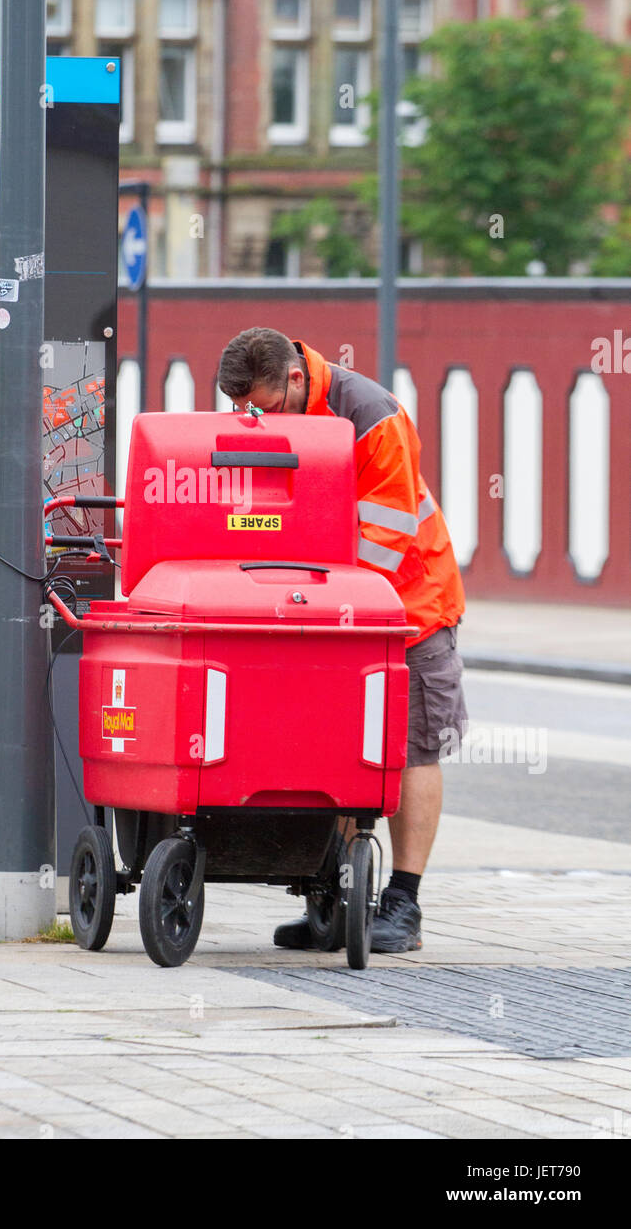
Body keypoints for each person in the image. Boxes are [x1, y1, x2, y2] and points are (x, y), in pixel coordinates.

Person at [216, 327, 466, 953]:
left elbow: (388, 530)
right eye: (244, 410)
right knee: (332, 748)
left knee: (412, 748)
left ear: (296, 380)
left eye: (266, 408)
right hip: (326, 604)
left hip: (410, 605)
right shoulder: (273, 410)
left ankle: (402, 905)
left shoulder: (369, 413)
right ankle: (335, 900)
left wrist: (329, 596)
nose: (257, 422)